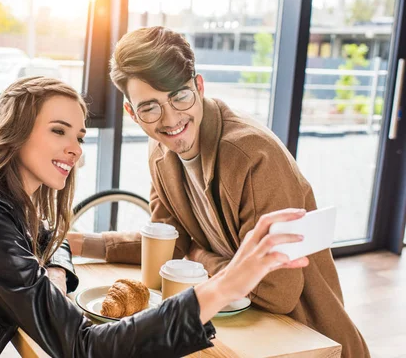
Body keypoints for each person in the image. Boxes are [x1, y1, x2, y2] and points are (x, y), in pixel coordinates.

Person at [0, 76, 309, 358]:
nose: (75, 148)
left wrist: (55, 270)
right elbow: (82, 348)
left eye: (79, 135)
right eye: (58, 130)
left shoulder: (3, 201)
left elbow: (49, 239)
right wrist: (225, 285)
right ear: (15, 132)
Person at [68, 26, 369, 357]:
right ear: (131, 112)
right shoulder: (159, 151)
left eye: (179, 96)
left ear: (199, 85)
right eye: (149, 107)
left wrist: (198, 255)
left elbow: (276, 291)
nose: (170, 119)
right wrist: (75, 242)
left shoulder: (252, 156)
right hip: (240, 329)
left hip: (305, 338)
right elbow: (170, 243)